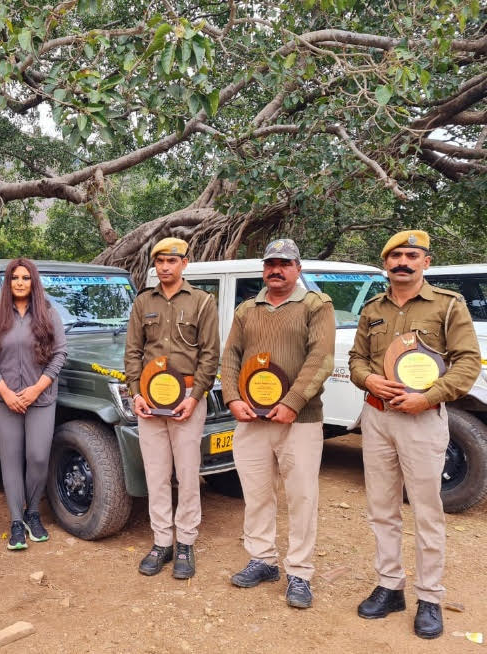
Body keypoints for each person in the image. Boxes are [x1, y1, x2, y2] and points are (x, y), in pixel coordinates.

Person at [349, 230, 480, 639]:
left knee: (426, 511)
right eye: (395, 256)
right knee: (382, 508)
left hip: (422, 420)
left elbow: (468, 361)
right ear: (386, 263)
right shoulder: (373, 308)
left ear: (426, 262)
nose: (402, 262)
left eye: (411, 255)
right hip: (377, 418)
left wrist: (429, 397)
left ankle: (429, 596)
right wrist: (369, 379)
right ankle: (390, 586)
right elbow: (356, 359)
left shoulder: (447, 305)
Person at [221, 239, 335, 608]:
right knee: (256, 494)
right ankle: (263, 559)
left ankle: (299, 572)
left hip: (299, 421)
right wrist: (232, 398)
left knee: (302, 497)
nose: (277, 269)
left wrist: (292, 402)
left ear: (298, 269)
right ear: (263, 269)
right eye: (271, 263)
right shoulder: (246, 309)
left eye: (285, 264)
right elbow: (231, 356)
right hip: (251, 420)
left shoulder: (315, 305)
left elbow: (321, 357)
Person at [124, 237, 219, 579]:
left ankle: (186, 543)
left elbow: (210, 355)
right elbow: (133, 352)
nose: (165, 267)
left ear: (185, 263)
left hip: (188, 397)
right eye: (160, 261)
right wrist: (135, 393)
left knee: (188, 473)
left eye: (172, 260)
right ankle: (162, 541)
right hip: (150, 399)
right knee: (156, 473)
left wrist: (195, 398)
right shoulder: (143, 302)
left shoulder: (202, 302)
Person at [0, 258, 66, 550]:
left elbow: (60, 354)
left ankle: (33, 513)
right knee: (11, 459)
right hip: (6, 399)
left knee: (38, 456)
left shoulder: (48, 314)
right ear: (8, 282)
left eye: (25, 278)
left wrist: (36, 389)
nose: (19, 282)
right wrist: (4, 391)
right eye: (15, 277)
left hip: (41, 398)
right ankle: (16, 520)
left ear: (33, 282)